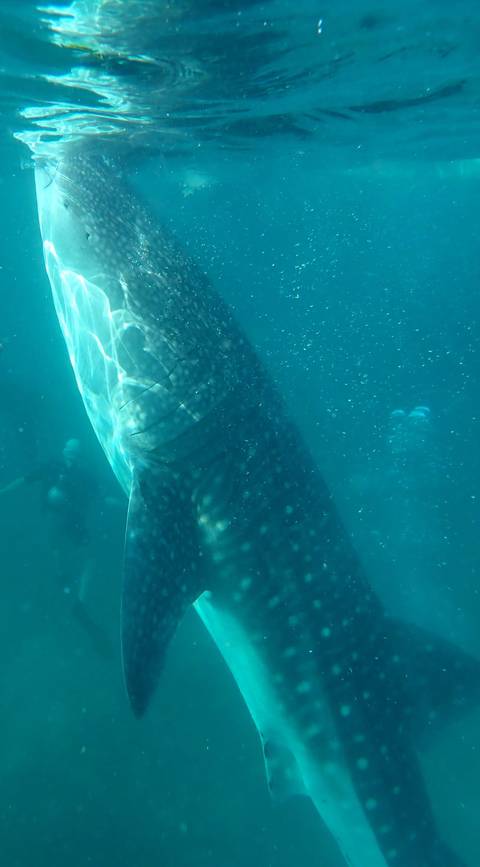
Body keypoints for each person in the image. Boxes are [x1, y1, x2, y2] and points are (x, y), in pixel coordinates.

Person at [1, 437, 112, 658]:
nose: (70, 455)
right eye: (70, 450)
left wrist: (2, 492)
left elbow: (25, 480)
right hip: (67, 519)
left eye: (72, 451)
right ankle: (76, 597)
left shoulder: (63, 468)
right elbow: (26, 479)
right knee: (83, 556)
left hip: (62, 519)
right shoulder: (76, 471)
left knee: (61, 549)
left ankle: (67, 583)